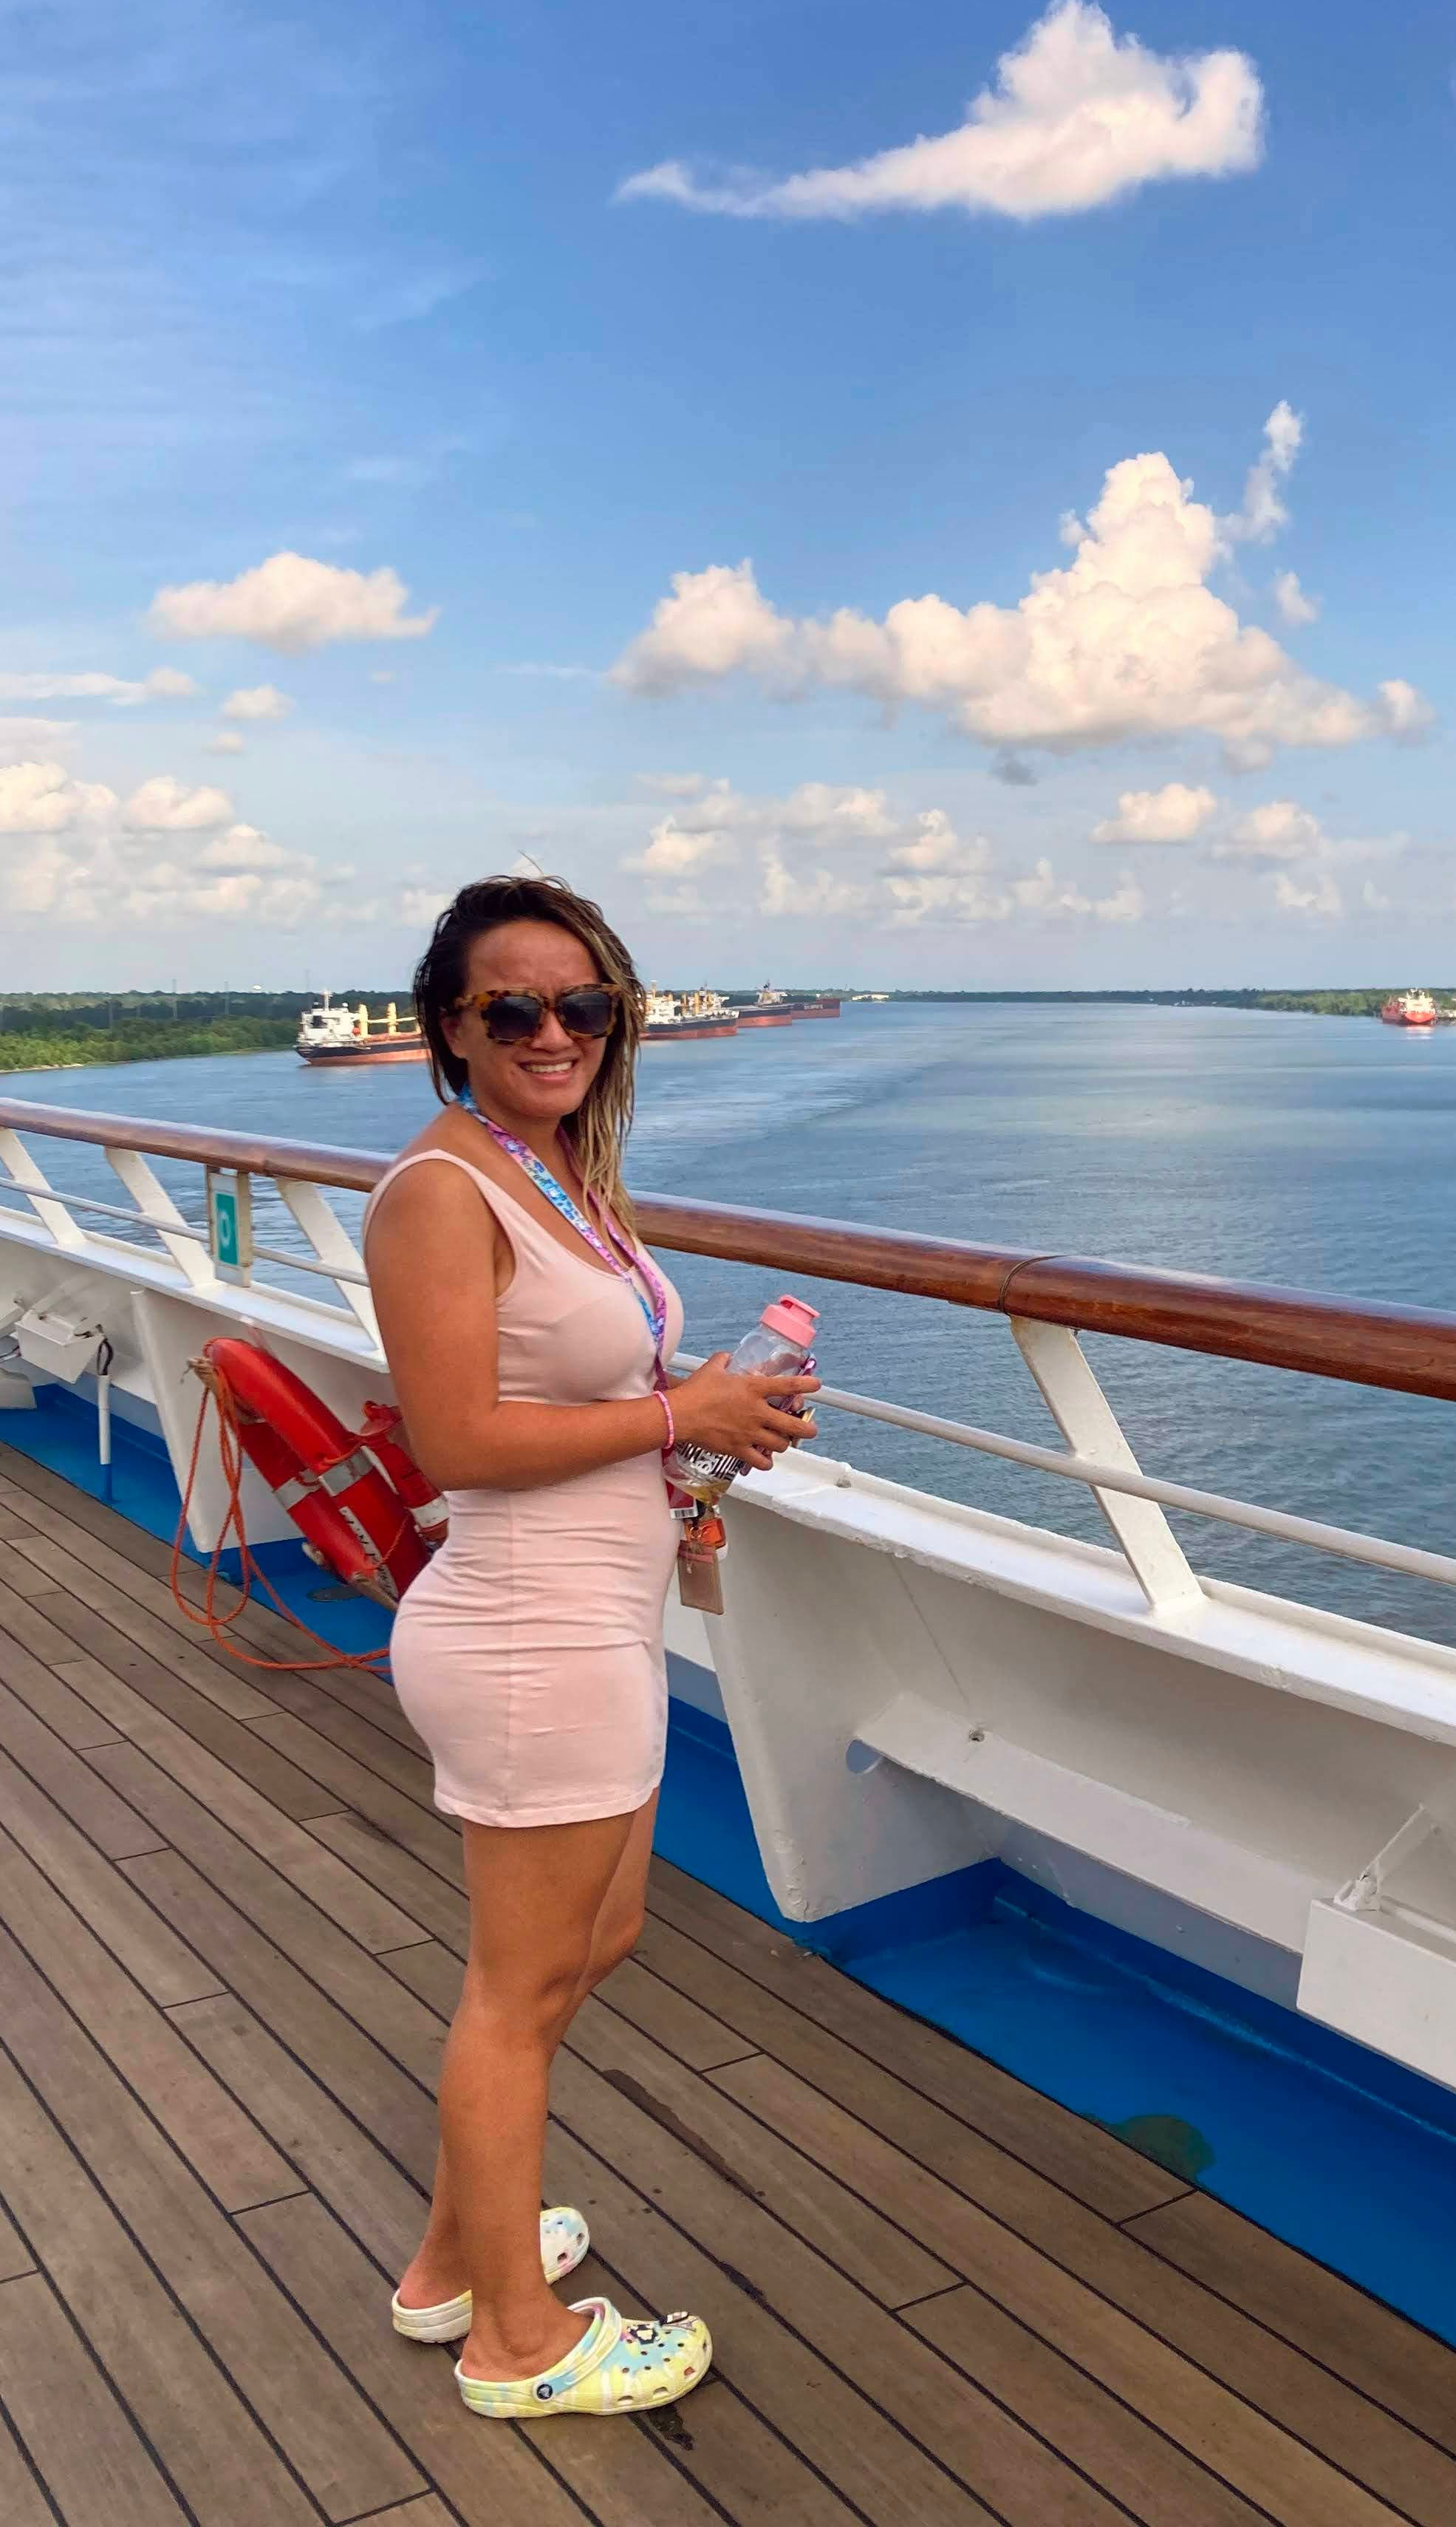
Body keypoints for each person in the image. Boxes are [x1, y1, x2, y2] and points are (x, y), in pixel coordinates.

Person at [363, 872, 818, 2420]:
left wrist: (697, 1422)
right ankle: (518, 2341)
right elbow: (457, 1443)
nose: (553, 1031)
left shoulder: (550, 1168)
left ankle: (454, 2263)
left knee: (592, 1942)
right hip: (523, 1635)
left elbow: (576, 1387)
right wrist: (684, 1413)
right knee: (515, 1992)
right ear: (452, 1027)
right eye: (514, 1007)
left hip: (592, 1621)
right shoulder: (442, 1194)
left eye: (584, 1005)